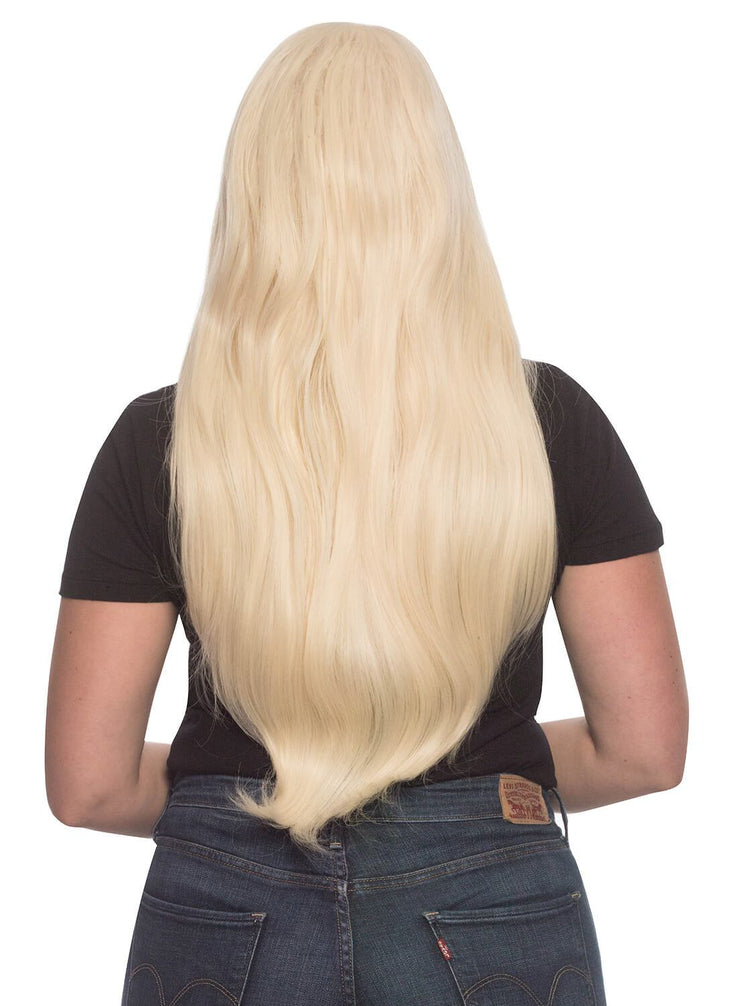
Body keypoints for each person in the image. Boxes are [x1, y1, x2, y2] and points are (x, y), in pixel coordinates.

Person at [45, 22, 688, 1006]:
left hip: (228, 903)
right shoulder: (549, 425)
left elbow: (89, 782)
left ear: (256, 195)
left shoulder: (161, 441)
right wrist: (472, 785)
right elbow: (642, 749)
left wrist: (255, 783)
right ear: (436, 190)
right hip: (489, 902)